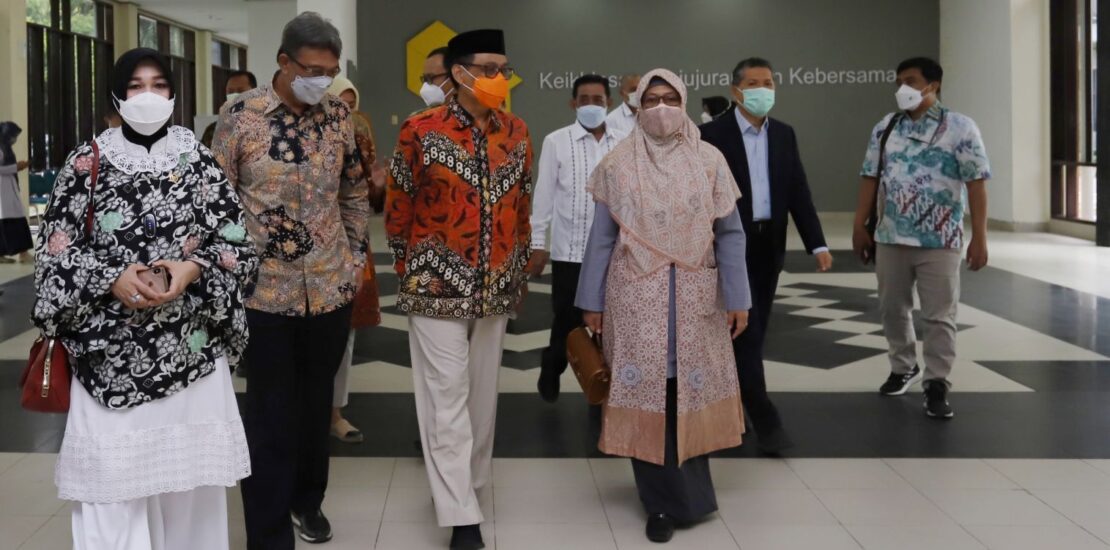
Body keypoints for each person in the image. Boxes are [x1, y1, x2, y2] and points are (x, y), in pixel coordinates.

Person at [31, 47, 258, 550]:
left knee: (191, 497)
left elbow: (238, 247)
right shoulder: (86, 162)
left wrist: (191, 267)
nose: (148, 96)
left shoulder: (197, 160)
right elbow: (52, 259)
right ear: (116, 96)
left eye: (159, 85)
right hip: (108, 359)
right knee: (110, 497)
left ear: (174, 94)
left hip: (191, 353)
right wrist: (112, 276)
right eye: (136, 86)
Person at [212, 12, 371, 548]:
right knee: (269, 412)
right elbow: (217, 199)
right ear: (283, 62)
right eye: (312, 69)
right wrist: (232, 270)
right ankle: (268, 529)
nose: (322, 80)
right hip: (263, 294)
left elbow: (353, 191)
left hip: (329, 287)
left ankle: (309, 501)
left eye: (330, 71)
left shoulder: (339, 118)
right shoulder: (240, 116)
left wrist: (355, 257)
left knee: (315, 405)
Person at [576, 68, 750, 544]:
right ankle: (659, 502)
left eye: (671, 99)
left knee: (685, 393)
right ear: (637, 106)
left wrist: (738, 298)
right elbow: (602, 238)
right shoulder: (618, 164)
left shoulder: (709, 160)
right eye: (651, 99)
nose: (661, 109)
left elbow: (731, 234)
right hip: (636, 299)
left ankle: (691, 496)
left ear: (684, 102)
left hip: (697, 300)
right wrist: (591, 302)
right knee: (648, 394)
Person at [386, 28, 532, 550]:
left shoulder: (516, 131)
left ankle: (466, 486)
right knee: (445, 395)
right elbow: (398, 206)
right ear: (459, 73)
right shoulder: (419, 129)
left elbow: (522, 205)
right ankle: (462, 517)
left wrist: (517, 268)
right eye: (488, 68)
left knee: (481, 400)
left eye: (503, 68)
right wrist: (412, 267)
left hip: (496, 286)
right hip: (435, 286)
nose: (498, 77)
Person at [699, 57, 831, 454]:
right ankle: (765, 417)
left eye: (768, 83)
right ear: (736, 90)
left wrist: (817, 243)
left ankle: (734, 410)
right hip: (725, 245)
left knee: (753, 330)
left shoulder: (784, 135)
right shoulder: (710, 135)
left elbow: (797, 190)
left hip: (768, 245)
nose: (763, 90)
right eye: (754, 83)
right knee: (744, 330)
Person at [852, 57, 990, 419]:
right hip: (890, 235)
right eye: (899, 81)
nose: (903, 88)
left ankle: (937, 382)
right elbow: (870, 176)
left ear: (933, 85)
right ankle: (903, 366)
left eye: (911, 81)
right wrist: (859, 225)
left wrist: (980, 236)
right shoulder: (886, 126)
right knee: (892, 308)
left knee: (939, 315)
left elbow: (976, 183)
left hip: (940, 239)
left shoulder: (961, 127)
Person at [529, 74, 627, 403]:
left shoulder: (625, 142)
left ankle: (602, 386)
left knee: (610, 323)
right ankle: (552, 363)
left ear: (609, 103)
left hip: (614, 253)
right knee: (568, 321)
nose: (591, 105)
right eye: (584, 99)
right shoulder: (556, 141)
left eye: (598, 99)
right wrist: (538, 244)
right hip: (570, 252)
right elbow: (543, 195)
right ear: (573, 103)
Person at [325, 75, 383, 444]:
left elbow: (368, 197)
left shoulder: (359, 135)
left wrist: (378, 185)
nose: (344, 113)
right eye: (338, 104)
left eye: (350, 106)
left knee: (343, 335)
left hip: (348, 245)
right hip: (297, 256)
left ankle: (334, 412)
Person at [0, 122, 33, 262]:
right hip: (3, 191)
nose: (14, 139)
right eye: (12, 136)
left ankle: (22, 253)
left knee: (14, 220)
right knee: (12, 221)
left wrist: (17, 167)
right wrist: (16, 167)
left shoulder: (5, 149)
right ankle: (22, 253)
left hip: (8, 188)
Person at [201, 70, 257, 150]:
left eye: (241, 91)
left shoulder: (268, 127)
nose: (235, 96)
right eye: (230, 92)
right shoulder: (213, 131)